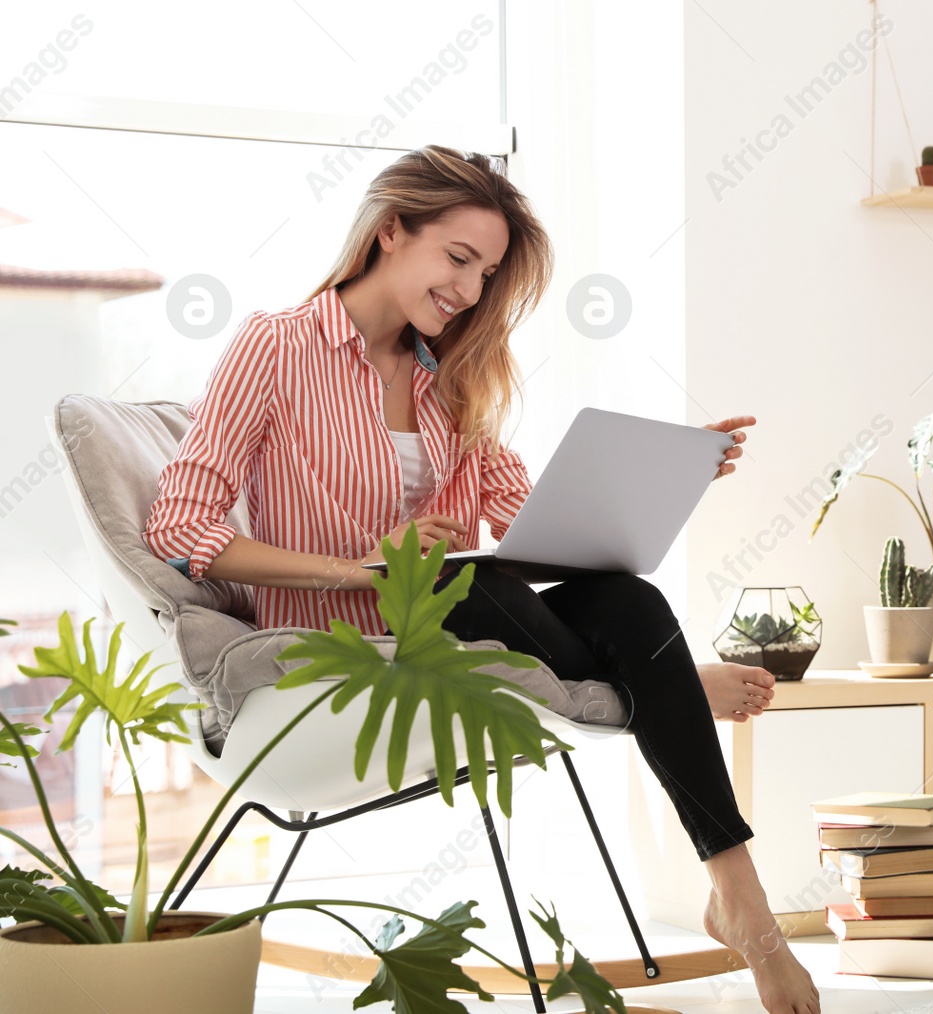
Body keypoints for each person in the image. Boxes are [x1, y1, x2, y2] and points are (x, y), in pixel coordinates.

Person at [143, 145, 820, 1014]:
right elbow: (181, 529)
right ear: (391, 230)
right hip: (344, 644)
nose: (468, 290)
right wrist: (365, 569)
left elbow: (536, 527)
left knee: (625, 598)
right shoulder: (276, 346)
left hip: (463, 605)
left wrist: (665, 475)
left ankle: (739, 893)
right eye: (458, 258)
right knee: (461, 585)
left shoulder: (450, 378)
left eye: (487, 273)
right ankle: (667, 688)